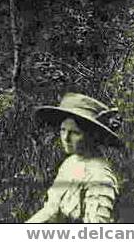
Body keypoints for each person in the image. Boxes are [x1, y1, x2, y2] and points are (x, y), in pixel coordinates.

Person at [26, 92, 123, 224]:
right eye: (63, 130)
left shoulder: (99, 176)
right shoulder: (70, 163)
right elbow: (52, 210)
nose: (66, 138)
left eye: (75, 133)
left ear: (91, 136)